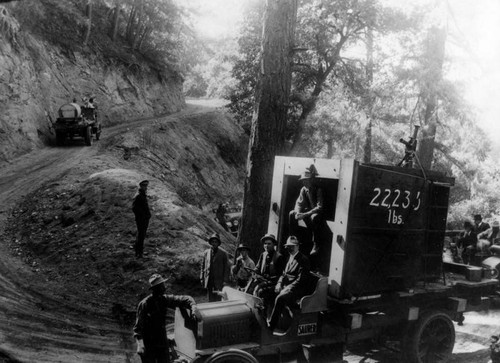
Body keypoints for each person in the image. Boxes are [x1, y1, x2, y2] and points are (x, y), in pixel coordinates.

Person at [133, 273, 197, 363]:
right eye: (161, 286)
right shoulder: (145, 304)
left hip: (162, 343)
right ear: (155, 289)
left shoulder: (164, 299)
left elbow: (184, 299)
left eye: (163, 285)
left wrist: (193, 307)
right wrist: (140, 344)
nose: (164, 288)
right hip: (149, 344)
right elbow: (137, 328)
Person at [268, 236, 312, 332]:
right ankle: (269, 320)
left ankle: (271, 327)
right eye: (288, 246)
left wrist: (287, 288)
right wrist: (279, 283)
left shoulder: (303, 260)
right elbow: (284, 274)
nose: (290, 248)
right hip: (287, 287)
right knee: (267, 291)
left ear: (298, 247)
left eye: (292, 246)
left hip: (298, 290)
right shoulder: (290, 257)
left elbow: (301, 280)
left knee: (280, 298)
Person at [289, 165, 325, 255]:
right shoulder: (304, 189)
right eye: (303, 180)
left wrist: (305, 214)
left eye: (306, 180)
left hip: (318, 213)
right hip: (308, 212)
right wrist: (297, 213)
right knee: (291, 213)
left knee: (314, 217)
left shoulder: (318, 189)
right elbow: (299, 203)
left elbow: (320, 207)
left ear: (311, 180)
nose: (304, 182)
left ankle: (316, 244)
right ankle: (294, 239)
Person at [252, 233, 285, 298]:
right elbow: (257, 268)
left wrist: (270, 279)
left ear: (273, 245)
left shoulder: (279, 257)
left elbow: (281, 274)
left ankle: (261, 306)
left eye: (269, 244)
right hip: (262, 280)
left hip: (273, 282)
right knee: (250, 286)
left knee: (259, 291)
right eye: (265, 243)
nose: (266, 246)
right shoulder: (263, 255)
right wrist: (253, 271)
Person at [200, 233, 231, 302]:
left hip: (219, 281)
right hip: (209, 280)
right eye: (212, 242)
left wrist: (225, 280)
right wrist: (202, 278)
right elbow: (203, 266)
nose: (214, 243)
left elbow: (226, 268)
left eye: (215, 242)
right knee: (210, 299)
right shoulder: (206, 253)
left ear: (218, 243)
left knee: (218, 298)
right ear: (210, 243)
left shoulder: (223, 253)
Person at [132, 180, 151, 258]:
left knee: (141, 235)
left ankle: (139, 252)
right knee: (141, 235)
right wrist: (143, 216)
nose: (146, 188)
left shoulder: (142, 195)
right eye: (144, 186)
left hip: (144, 219)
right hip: (141, 219)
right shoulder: (139, 196)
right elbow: (134, 208)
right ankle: (139, 253)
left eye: (146, 186)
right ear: (141, 186)